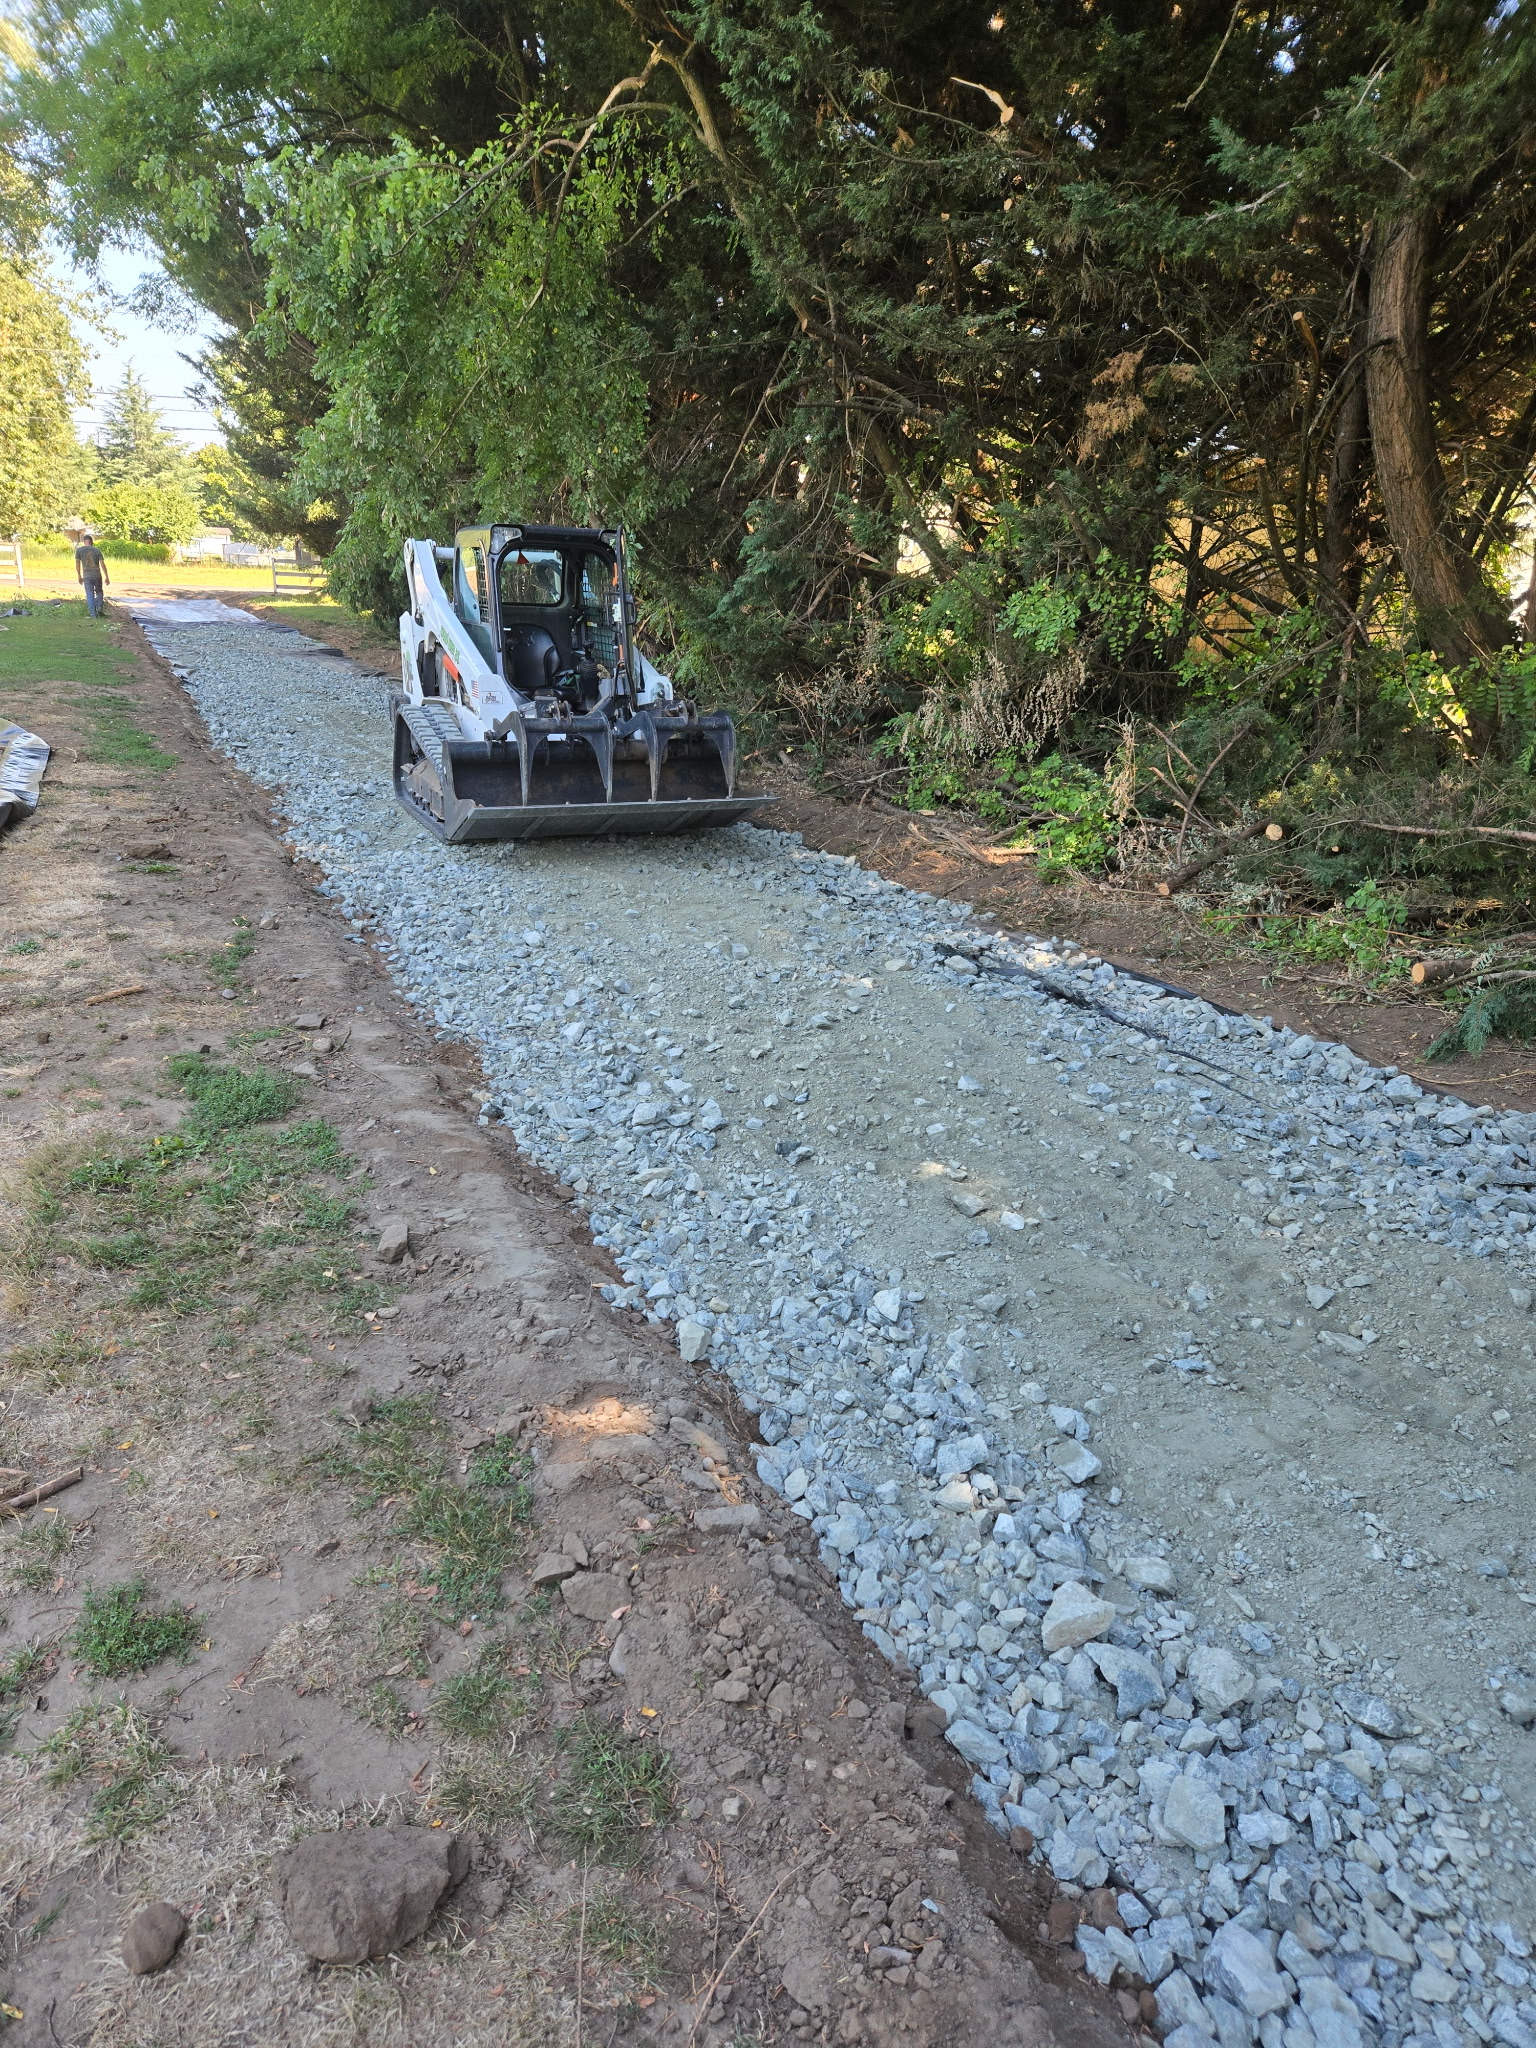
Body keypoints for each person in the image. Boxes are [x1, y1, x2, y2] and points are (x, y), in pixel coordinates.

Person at [75, 532, 109, 616]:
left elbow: (77, 563)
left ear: (84, 541)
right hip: (97, 575)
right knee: (99, 592)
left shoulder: (79, 550)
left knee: (89, 594)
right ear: (91, 542)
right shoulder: (97, 550)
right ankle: (100, 609)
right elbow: (102, 564)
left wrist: (79, 575)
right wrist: (106, 576)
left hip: (87, 576)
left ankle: (93, 614)